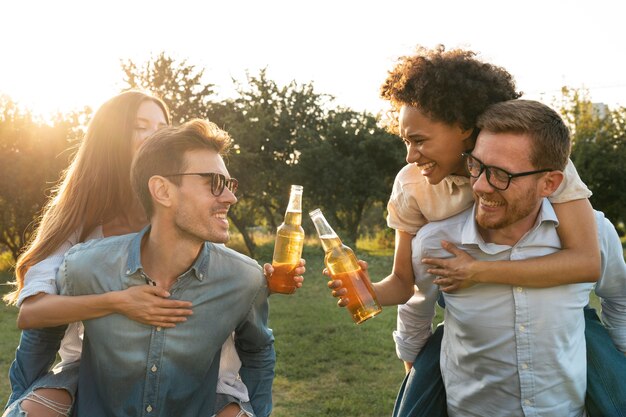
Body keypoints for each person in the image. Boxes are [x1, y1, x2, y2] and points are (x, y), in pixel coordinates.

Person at [326, 45, 614, 416]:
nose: (410, 155)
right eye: (405, 140)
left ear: (464, 127)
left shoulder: (536, 165)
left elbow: (586, 261)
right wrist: (369, 291)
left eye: (419, 140)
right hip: (458, 302)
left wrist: (476, 271)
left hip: (550, 301)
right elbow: (404, 283)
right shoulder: (413, 185)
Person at [3, 91, 300, 417]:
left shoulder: (187, 215)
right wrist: (117, 301)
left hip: (196, 376)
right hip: (100, 368)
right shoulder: (80, 230)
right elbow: (36, 317)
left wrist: (257, 283)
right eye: (140, 125)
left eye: (163, 125)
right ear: (111, 140)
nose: (155, 134)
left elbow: (217, 277)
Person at [393, 99, 626, 416]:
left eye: (501, 175)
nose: (481, 185)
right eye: (476, 166)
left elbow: (620, 298)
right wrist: (416, 388)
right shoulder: (436, 243)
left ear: (550, 183)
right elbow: (414, 318)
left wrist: (618, 372)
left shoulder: (594, 233)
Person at [55, 118, 275, 416]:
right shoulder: (84, 266)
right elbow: (40, 337)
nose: (231, 197)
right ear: (162, 190)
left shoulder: (245, 279)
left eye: (230, 184)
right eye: (214, 183)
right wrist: (24, 398)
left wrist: (258, 412)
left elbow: (259, 350)